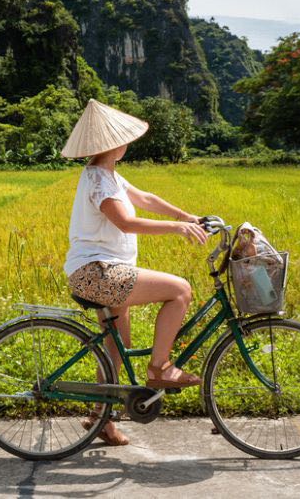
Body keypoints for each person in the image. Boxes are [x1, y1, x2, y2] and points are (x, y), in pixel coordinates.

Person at [60, 99, 209, 446]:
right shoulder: (99, 179)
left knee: (116, 349)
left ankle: (102, 421)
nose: (127, 143)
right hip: (98, 274)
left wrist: (186, 216)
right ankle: (160, 368)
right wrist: (176, 230)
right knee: (180, 290)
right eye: (123, 138)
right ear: (112, 144)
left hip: (102, 271)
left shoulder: (108, 174)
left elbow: (147, 198)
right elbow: (125, 222)